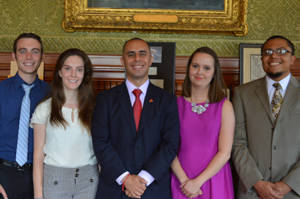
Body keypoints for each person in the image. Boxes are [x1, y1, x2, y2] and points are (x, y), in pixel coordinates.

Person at [91, 38, 180, 199]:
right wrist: (126, 179)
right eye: (131, 54)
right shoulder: (105, 99)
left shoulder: (167, 100)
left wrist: (143, 179)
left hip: (153, 189)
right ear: (122, 61)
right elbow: (100, 142)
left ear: (150, 59)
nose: (137, 59)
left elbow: (170, 144)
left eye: (142, 54)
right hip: (114, 189)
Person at [232, 35, 300, 198]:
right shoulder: (242, 93)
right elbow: (237, 142)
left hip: (293, 192)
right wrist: (257, 182)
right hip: (253, 191)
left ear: (292, 59)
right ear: (262, 59)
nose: (274, 56)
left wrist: (288, 184)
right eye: (268, 52)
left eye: (282, 51)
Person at [31, 48, 99, 199]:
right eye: (68, 69)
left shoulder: (95, 108)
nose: (73, 75)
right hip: (55, 179)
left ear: (85, 74)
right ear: (60, 72)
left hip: (89, 179)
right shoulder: (44, 108)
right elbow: (38, 156)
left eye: (79, 70)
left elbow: (102, 148)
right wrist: (38, 194)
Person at [171, 47, 235, 199]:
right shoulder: (173, 104)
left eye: (206, 68)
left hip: (214, 179)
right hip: (180, 180)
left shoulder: (224, 106)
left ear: (214, 73)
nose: (200, 72)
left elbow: (225, 153)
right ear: (188, 70)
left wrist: (198, 182)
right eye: (195, 66)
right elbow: (167, 147)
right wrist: (185, 182)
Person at [0, 33, 49, 199]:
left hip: (40, 175)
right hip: (3, 174)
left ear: (42, 57)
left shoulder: (51, 94)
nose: (29, 57)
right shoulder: (0, 90)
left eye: (35, 51)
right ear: (14, 56)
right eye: (23, 51)